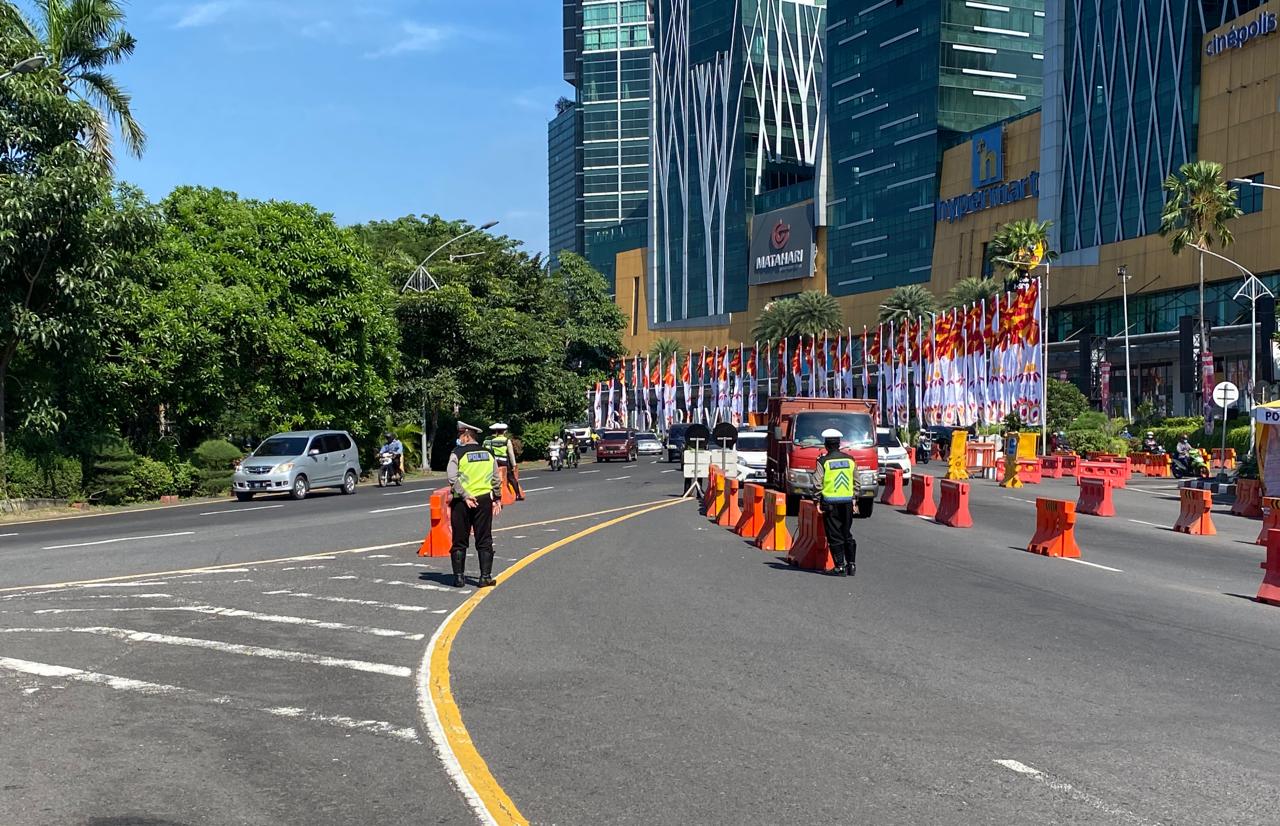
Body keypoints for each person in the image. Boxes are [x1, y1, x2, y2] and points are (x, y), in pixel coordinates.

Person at [447, 421, 501, 588]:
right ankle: (485, 577)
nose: (459, 439)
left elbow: (452, 478)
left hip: (462, 502)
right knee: (484, 538)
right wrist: (497, 498)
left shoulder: (457, 453)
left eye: (460, 435)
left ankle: (459, 578)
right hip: (484, 500)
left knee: (459, 539)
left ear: (467, 435)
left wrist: (465, 495)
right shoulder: (488, 453)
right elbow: (496, 478)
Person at [809, 428, 857, 578]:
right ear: (839, 444)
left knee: (834, 535)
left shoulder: (823, 461)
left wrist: (816, 500)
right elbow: (857, 481)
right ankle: (852, 565)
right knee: (846, 533)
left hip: (830, 503)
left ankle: (840, 567)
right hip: (848, 502)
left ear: (826, 445)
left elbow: (817, 483)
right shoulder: (850, 460)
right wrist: (854, 499)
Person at [485, 423, 524, 501]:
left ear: (496, 431)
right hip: (504, 462)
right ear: (504, 431)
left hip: (495, 461)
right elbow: (510, 453)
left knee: (493, 477)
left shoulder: (492, 441)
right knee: (511, 477)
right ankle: (517, 494)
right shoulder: (506, 440)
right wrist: (514, 465)